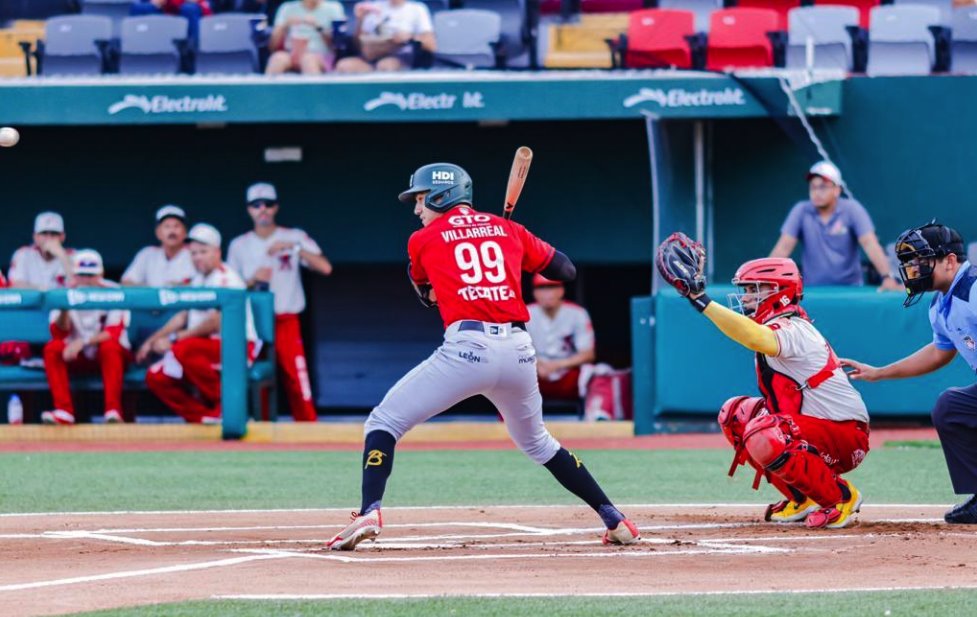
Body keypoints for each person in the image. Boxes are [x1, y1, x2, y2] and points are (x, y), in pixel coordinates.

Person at [326, 163, 639, 551]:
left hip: (468, 350)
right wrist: (514, 242)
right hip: (520, 353)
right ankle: (614, 518)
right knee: (538, 442)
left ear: (442, 196)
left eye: (421, 199)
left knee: (384, 421)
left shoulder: (422, 239)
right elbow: (565, 269)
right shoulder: (508, 230)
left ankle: (369, 511)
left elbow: (426, 295)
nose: (416, 209)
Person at [656, 232, 870, 529]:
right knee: (736, 414)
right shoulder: (780, 324)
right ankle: (804, 497)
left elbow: (755, 337)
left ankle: (840, 497)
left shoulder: (795, 327)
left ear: (778, 291)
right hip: (814, 427)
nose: (744, 298)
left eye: (753, 290)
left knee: (765, 430)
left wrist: (700, 299)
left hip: (845, 434)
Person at [841, 221, 977, 524]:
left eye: (923, 261)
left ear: (950, 261)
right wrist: (879, 373)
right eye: (912, 262)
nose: (914, 269)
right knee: (950, 408)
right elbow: (940, 352)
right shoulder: (941, 303)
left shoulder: (974, 289)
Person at [228, 182, 332, 422]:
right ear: (249, 209)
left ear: (276, 207)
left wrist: (294, 248)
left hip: (286, 318)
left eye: (268, 204)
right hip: (251, 321)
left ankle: (309, 427)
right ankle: (263, 428)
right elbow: (230, 290)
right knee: (256, 376)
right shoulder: (239, 245)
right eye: (256, 205)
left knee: (296, 375)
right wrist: (253, 280)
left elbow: (325, 267)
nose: (262, 209)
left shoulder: (293, 236)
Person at [143, 223, 260, 424]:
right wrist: (152, 340)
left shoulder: (226, 279)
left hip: (236, 347)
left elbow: (216, 322)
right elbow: (183, 316)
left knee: (183, 349)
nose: (198, 257)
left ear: (217, 252)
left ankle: (228, 406)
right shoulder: (198, 279)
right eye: (194, 253)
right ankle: (201, 417)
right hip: (202, 350)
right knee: (156, 376)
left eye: (203, 252)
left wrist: (173, 339)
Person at [769, 161, 902, 291]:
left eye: (823, 187)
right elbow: (783, 247)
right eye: (813, 187)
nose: (816, 192)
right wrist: (763, 279)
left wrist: (887, 277)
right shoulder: (800, 210)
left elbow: (869, 243)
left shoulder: (852, 209)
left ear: (837, 190)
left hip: (851, 290)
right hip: (813, 291)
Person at [41, 250, 131, 426]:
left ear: (101, 274)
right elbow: (58, 333)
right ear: (74, 275)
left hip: (107, 356)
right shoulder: (64, 292)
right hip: (76, 357)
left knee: (110, 347)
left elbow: (113, 331)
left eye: (91, 275)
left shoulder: (114, 291)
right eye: (82, 275)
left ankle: (112, 411)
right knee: (52, 349)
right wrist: (65, 307)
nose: (87, 280)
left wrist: (83, 342)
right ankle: (64, 411)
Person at [526, 274, 595, 401]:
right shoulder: (524, 313)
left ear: (561, 290)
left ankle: (595, 417)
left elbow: (588, 354)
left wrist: (557, 365)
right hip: (534, 373)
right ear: (534, 292)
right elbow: (513, 351)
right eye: (542, 288)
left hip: (567, 373)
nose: (547, 293)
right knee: (509, 372)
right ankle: (506, 420)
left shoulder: (577, 313)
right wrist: (536, 365)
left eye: (552, 287)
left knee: (596, 372)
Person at [334, 0, 436, 74]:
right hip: (371, 59)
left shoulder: (417, 9)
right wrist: (360, 21)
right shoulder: (373, 7)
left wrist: (409, 37)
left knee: (386, 65)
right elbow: (358, 46)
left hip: (401, 59)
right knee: (344, 65)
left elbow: (431, 45)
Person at [121, 205, 196, 288]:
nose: (172, 231)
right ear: (158, 233)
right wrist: (155, 291)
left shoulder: (195, 254)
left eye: (176, 226)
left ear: (185, 233)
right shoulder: (147, 254)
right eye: (167, 226)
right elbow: (126, 282)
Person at [265, 0, 345, 75]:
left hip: (322, 56)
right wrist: (284, 26)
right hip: (292, 54)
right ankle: (266, 90)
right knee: (277, 59)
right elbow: (272, 46)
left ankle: (314, 90)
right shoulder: (287, 8)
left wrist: (318, 27)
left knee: (308, 60)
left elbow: (337, 44)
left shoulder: (334, 7)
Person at [9, 212, 74, 290]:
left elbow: (77, 286)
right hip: (32, 302)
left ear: (62, 237)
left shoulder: (73, 256)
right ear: (35, 237)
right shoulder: (23, 254)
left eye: (54, 233)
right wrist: (42, 290)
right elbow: (15, 285)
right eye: (44, 233)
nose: (49, 238)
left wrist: (62, 256)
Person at [130, 0, 213, 41]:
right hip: (164, 7)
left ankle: (191, 52)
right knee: (140, 8)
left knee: (189, 9)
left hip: (188, 8)